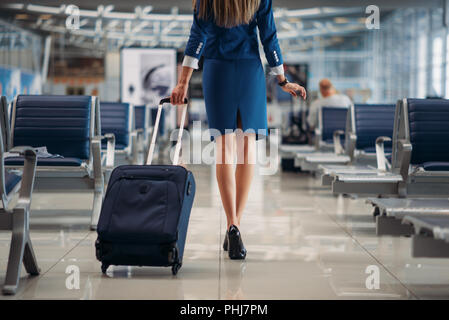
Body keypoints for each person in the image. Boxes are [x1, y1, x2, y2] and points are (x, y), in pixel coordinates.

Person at [170, 0, 306, 260]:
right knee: (247, 148)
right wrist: (282, 80)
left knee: (224, 148)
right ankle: (235, 226)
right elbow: (269, 37)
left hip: (217, 69)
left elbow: (196, 38)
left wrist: (182, 83)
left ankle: (231, 222)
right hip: (249, 69)